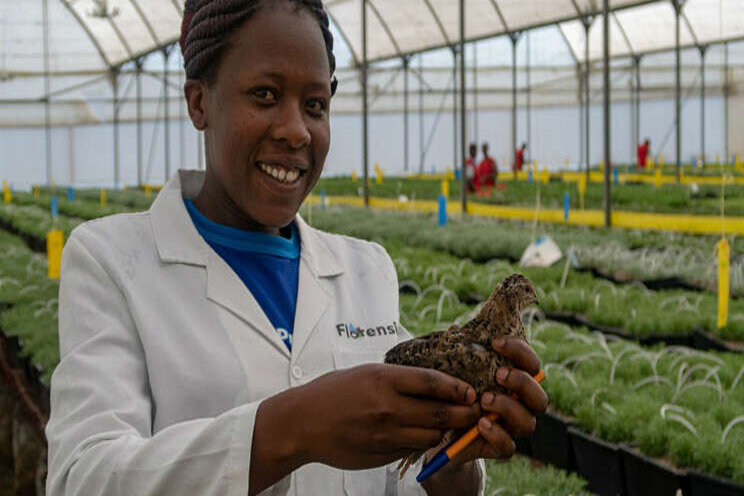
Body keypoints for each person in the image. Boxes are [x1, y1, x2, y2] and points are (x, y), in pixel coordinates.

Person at [45, 1, 548, 495]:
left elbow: (398, 478)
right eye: (264, 95)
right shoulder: (111, 260)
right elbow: (82, 478)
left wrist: (452, 461)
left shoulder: (366, 269)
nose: (295, 130)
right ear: (199, 102)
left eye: (316, 105)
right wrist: (295, 428)